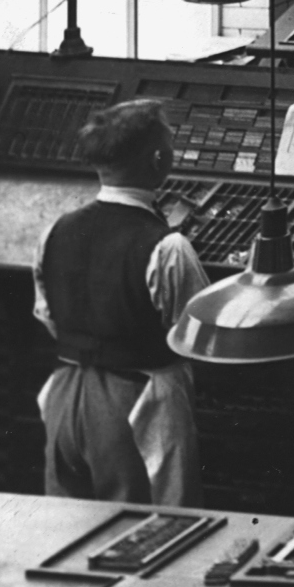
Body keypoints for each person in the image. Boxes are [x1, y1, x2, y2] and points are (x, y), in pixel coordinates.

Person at [35, 100, 209, 506]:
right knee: (157, 531)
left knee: (69, 524)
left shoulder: (56, 231)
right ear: (158, 160)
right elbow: (200, 335)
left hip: (64, 395)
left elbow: (47, 316)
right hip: (139, 402)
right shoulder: (168, 247)